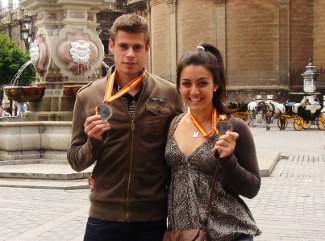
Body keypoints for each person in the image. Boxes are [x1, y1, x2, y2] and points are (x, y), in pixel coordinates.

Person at [67, 13, 184, 241]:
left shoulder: (169, 93)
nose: (130, 54)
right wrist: (94, 142)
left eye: (137, 47)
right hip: (104, 217)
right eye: (123, 46)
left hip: (152, 219)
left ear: (147, 47)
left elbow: (177, 155)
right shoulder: (88, 96)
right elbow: (75, 160)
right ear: (111, 46)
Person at [165, 43, 261, 241]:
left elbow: (252, 188)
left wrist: (228, 160)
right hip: (182, 235)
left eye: (202, 83)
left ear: (215, 85)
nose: (194, 91)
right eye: (186, 83)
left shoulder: (232, 127)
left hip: (227, 233)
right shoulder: (173, 124)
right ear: (178, 86)